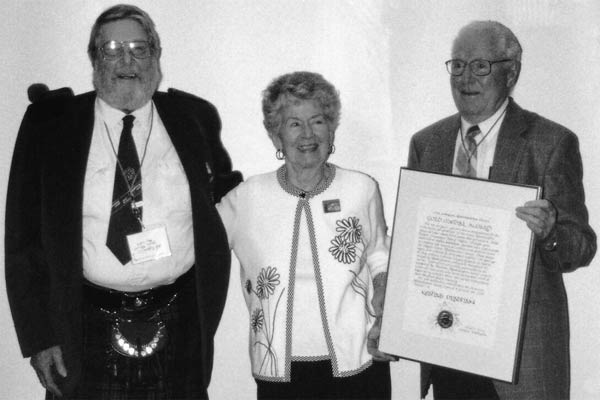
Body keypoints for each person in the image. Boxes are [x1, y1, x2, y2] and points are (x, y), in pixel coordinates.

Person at [5, 4, 241, 399]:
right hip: (82, 326)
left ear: (156, 56)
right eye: (112, 49)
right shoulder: (49, 126)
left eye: (139, 48)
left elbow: (229, 201)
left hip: (180, 321)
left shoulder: (193, 118)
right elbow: (22, 238)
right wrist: (38, 336)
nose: (127, 61)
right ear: (94, 58)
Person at [408, 20, 596, 399]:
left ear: (510, 73)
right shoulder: (427, 143)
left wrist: (550, 233)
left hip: (521, 360)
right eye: (457, 65)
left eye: (481, 66)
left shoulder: (550, 142)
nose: (466, 77)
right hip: (448, 348)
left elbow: (581, 247)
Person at [217, 71, 395, 399]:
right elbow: (198, 244)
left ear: (331, 129)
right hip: (280, 373)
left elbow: (381, 256)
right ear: (276, 136)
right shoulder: (247, 198)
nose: (308, 134)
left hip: (359, 362)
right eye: (294, 123)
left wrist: (389, 322)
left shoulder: (361, 189)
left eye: (317, 121)